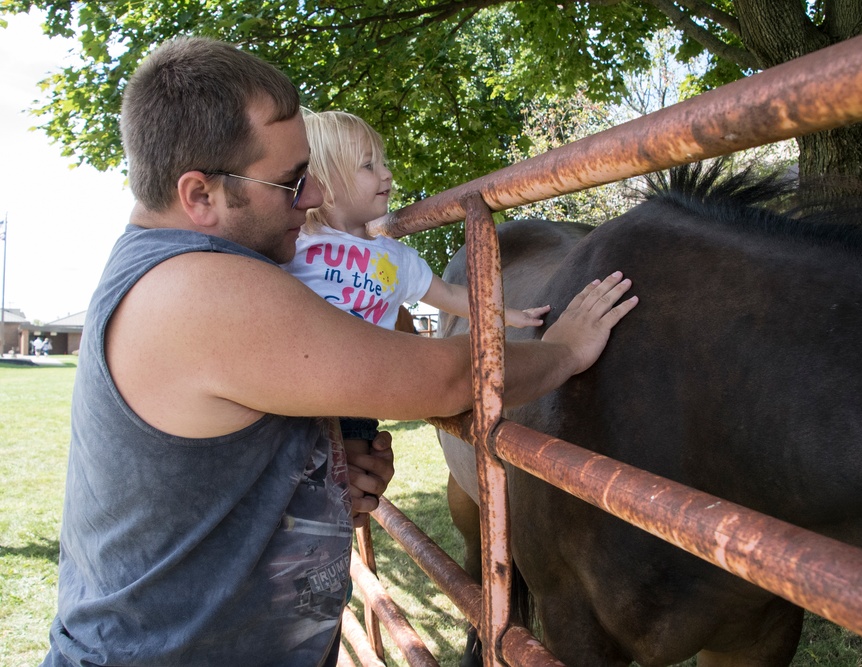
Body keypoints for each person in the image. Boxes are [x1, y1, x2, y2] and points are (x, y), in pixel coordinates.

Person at [41, 36, 636, 667]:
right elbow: (443, 378)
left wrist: (310, 481)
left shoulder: (171, 269)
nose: (314, 199)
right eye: (292, 183)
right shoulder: (199, 289)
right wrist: (566, 350)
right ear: (200, 196)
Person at [282, 110, 552, 462]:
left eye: (383, 162)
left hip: (357, 396)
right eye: (368, 165)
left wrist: (509, 315)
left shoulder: (396, 259)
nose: (386, 173)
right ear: (324, 182)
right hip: (295, 390)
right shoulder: (298, 241)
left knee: (344, 486)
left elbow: (451, 295)